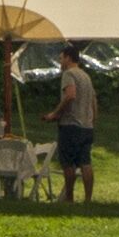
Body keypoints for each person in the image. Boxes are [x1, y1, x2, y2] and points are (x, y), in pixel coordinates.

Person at [51, 42, 100, 205]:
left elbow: (70, 95)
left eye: (61, 58)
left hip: (71, 124)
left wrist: (56, 114)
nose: (60, 62)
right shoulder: (86, 76)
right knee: (85, 162)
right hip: (87, 125)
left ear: (68, 57)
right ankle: (88, 199)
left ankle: (69, 197)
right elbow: (93, 100)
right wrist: (93, 119)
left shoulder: (69, 74)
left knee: (68, 163)